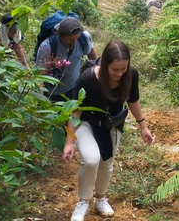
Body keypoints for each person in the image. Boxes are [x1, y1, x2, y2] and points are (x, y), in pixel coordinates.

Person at [62, 40, 155, 221]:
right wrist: (69, 141)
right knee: (91, 160)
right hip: (86, 123)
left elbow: (133, 100)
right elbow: (75, 111)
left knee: (107, 163)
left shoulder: (131, 75)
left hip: (111, 123)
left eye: (124, 69)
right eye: (115, 70)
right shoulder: (88, 78)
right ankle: (83, 201)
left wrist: (143, 126)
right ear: (105, 65)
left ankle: (100, 199)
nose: (120, 74)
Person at [35, 17, 97, 101]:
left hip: (74, 88)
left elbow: (92, 55)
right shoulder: (47, 46)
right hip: (51, 93)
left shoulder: (83, 38)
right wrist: (42, 98)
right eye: (70, 39)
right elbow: (38, 75)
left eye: (76, 38)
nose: (75, 42)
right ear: (60, 35)